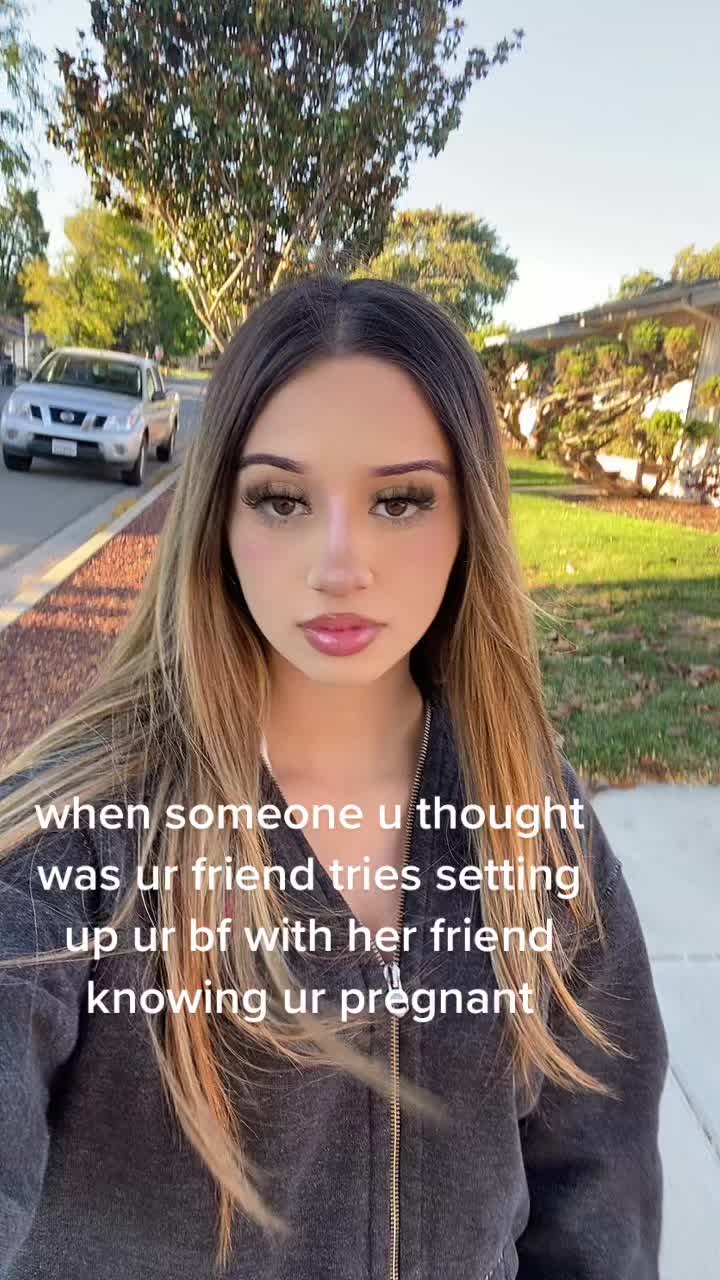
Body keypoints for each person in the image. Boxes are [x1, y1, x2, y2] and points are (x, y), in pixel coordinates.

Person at [0, 272, 669, 1280]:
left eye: (401, 500)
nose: (339, 561)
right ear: (220, 518)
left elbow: (597, 1196)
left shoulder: (536, 819)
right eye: (282, 499)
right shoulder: (80, 832)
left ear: (469, 516)